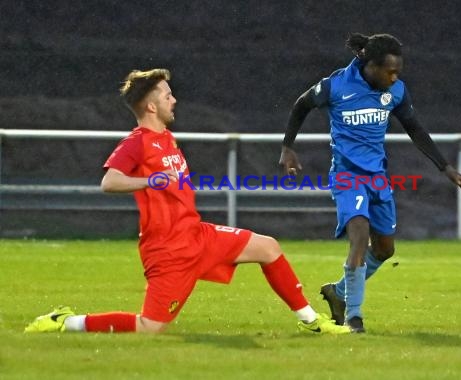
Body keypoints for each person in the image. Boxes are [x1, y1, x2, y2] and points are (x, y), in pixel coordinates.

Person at [25, 68, 350, 335]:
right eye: (167, 95)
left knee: (268, 247)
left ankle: (312, 322)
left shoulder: (166, 138)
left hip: (196, 235)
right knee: (150, 327)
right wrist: (150, 180)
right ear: (151, 107)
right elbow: (109, 182)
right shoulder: (136, 143)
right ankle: (67, 322)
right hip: (167, 251)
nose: (174, 99)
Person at [279, 33, 461, 333]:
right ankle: (354, 318)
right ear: (369, 65)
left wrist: (446, 168)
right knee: (359, 237)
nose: (394, 76)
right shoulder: (336, 86)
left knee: (384, 250)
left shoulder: (395, 91)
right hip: (346, 176)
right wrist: (288, 147)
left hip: (378, 178)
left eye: (398, 71)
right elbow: (301, 105)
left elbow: (414, 128)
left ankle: (338, 292)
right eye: (389, 71)